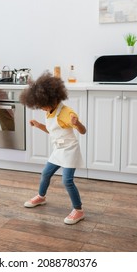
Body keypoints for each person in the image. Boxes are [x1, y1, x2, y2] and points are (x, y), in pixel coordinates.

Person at [20, 72, 86, 224]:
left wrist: (77, 124)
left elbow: (83, 131)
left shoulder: (67, 113)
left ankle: (78, 210)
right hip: (58, 149)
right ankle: (41, 197)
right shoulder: (50, 110)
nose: (41, 108)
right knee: (45, 174)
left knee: (67, 181)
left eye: (42, 105)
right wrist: (38, 125)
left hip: (70, 150)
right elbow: (53, 130)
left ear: (53, 98)